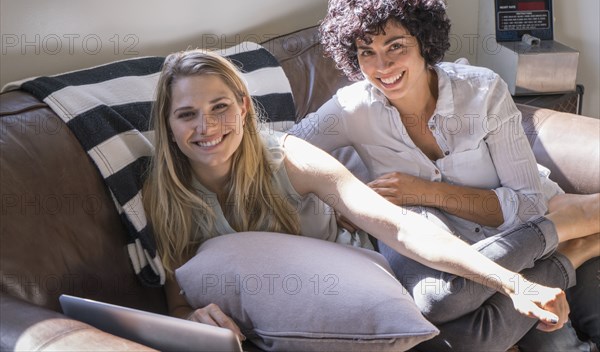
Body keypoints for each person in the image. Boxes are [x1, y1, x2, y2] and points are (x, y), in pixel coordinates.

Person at [141, 49, 598, 348]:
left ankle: (569, 241)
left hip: (363, 287)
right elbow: (179, 292)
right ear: (169, 125)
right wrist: (192, 317)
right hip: (281, 326)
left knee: (449, 311)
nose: (207, 128)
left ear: (242, 106)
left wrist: (512, 284)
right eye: (187, 115)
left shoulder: (289, 160)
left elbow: (397, 226)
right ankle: (574, 252)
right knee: (469, 342)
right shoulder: (164, 194)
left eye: (220, 107)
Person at [288, 0, 600, 351]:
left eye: (395, 46)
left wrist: (423, 190)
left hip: (522, 228)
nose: (381, 67)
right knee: (443, 305)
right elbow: (281, 149)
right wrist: (338, 196)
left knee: (565, 336)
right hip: (447, 246)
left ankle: (571, 244)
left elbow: (529, 205)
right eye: (366, 52)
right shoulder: (352, 109)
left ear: (423, 40)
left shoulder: (483, 92)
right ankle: (574, 244)